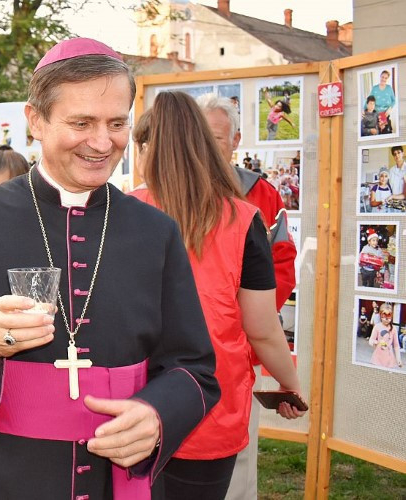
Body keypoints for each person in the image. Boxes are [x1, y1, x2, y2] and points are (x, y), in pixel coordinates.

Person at [0, 38, 220, 499]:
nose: (102, 143)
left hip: (117, 480)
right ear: (36, 120)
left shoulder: (156, 231)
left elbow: (194, 368)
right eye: (81, 123)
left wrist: (157, 415)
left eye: (117, 123)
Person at [130, 91, 304, 499]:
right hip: (211, 400)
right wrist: (290, 384)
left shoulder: (124, 210)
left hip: (134, 398)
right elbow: (262, 329)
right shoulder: (241, 218)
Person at [194, 93, 297, 500]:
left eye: (216, 138)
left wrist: (242, 321)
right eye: (199, 135)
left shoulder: (261, 195)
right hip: (173, 350)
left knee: (235, 465)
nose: (205, 146)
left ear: (236, 141)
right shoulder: (163, 191)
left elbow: (281, 266)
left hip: (235, 348)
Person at [368, 303, 403, 368]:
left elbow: (396, 346)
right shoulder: (377, 326)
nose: (386, 319)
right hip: (377, 359)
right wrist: (375, 342)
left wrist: (398, 359)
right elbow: (371, 340)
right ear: (380, 315)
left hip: (389, 360)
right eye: (384, 316)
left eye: (389, 316)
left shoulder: (394, 329)